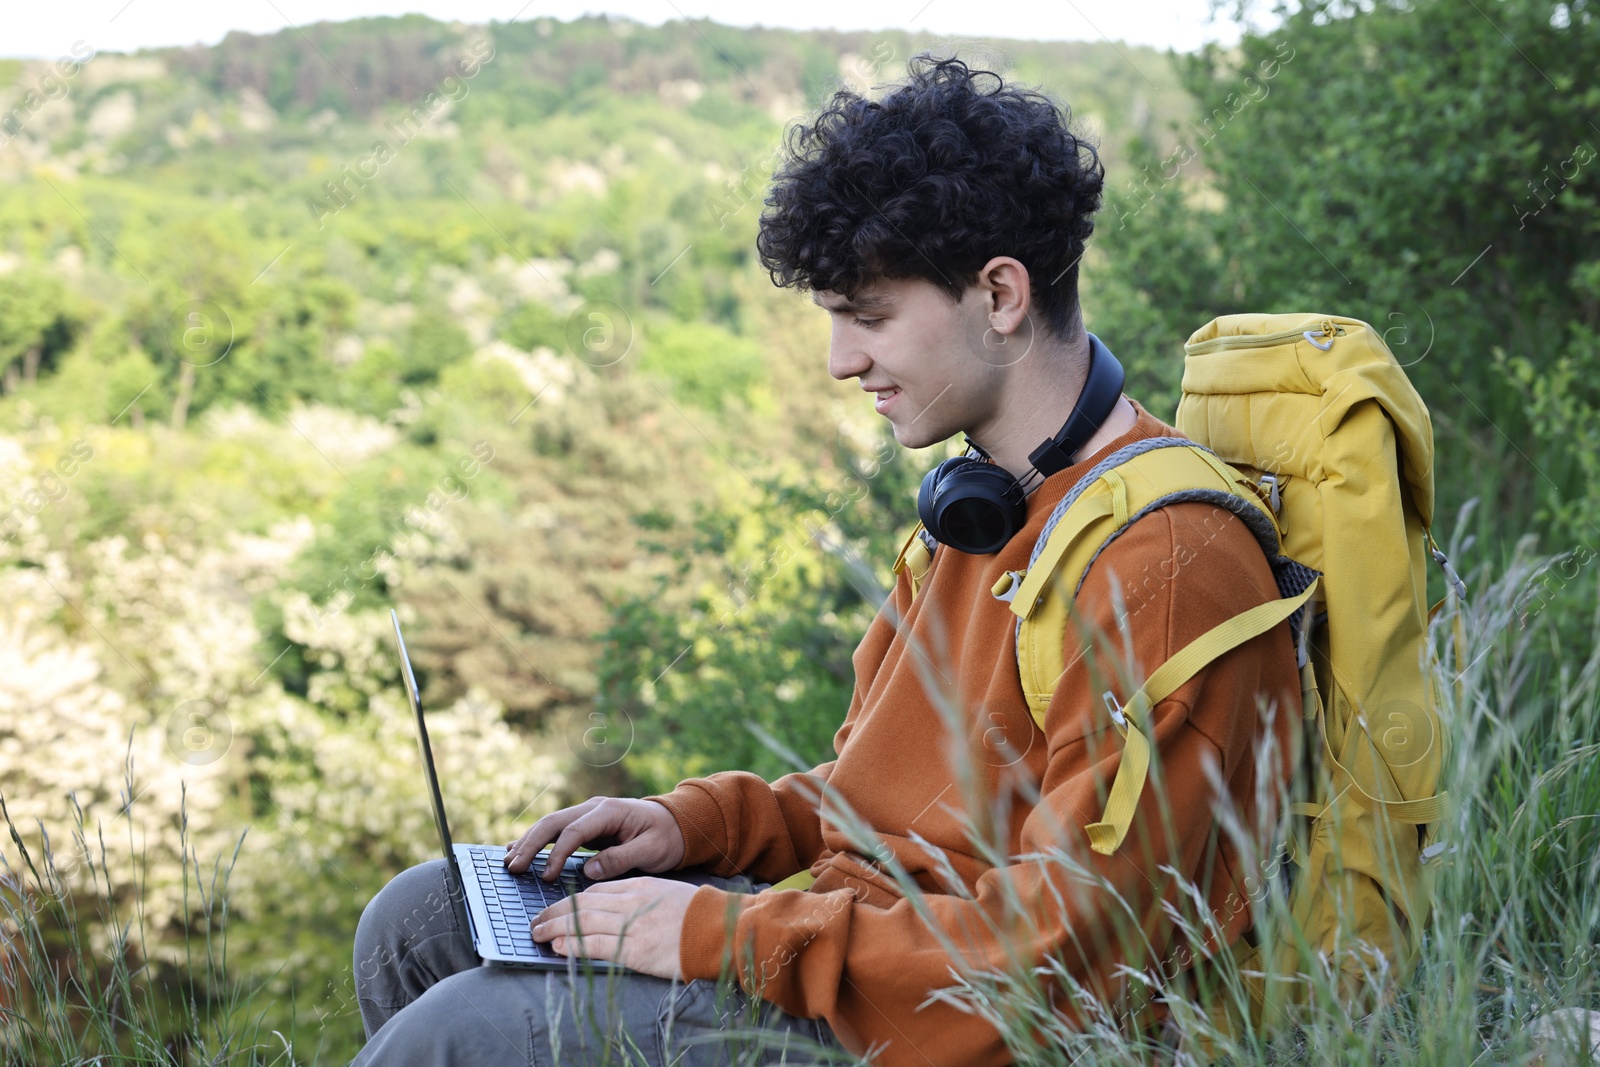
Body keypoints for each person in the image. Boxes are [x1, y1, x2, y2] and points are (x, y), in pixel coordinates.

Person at [350, 53, 1300, 1067]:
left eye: (870, 316)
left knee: (457, 1036)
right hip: (862, 952)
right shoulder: (976, 512)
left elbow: (1073, 953)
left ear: (1000, 294)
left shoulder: (1162, 560)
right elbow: (877, 808)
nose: (841, 361)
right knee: (420, 917)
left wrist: (711, 933)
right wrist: (699, 826)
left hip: (953, 1022)